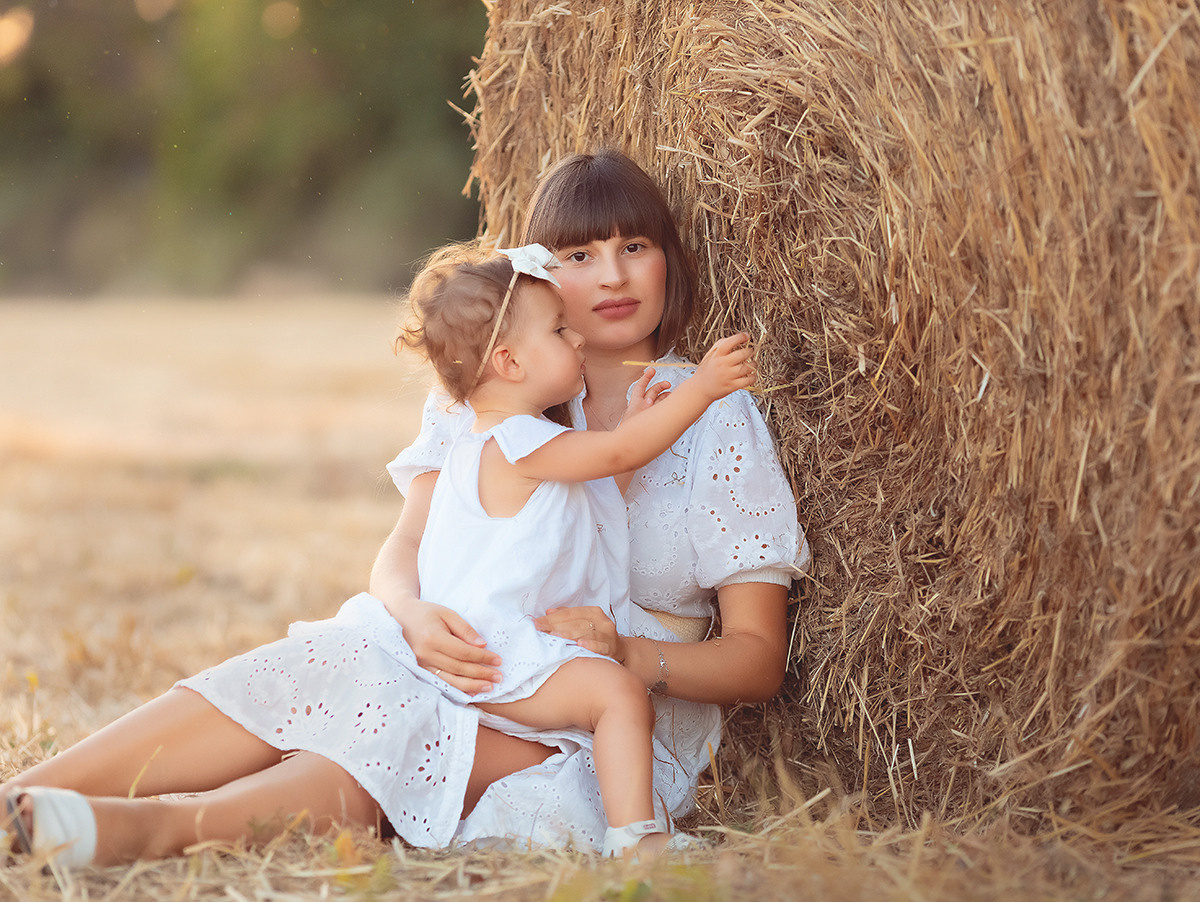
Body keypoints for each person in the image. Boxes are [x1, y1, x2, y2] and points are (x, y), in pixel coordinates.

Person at [2, 149, 808, 868]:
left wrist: (629, 660)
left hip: (593, 731)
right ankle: (26, 798)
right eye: (579, 254)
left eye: (636, 247)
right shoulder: (484, 400)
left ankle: (150, 834)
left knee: (391, 732)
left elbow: (756, 660)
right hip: (464, 664)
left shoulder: (712, 418)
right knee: (320, 668)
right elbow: (405, 547)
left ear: (669, 258)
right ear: (537, 277)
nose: (613, 276)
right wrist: (412, 616)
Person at [389, 241, 754, 857]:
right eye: (560, 330)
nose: (578, 338)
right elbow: (617, 454)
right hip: (499, 655)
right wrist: (703, 389)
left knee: (609, 693)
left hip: (482, 654)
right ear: (508, 362)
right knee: (616, 693)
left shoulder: (491, 442)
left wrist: (630, 417)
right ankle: (637, 839)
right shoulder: (517, 439)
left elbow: (597, 492)